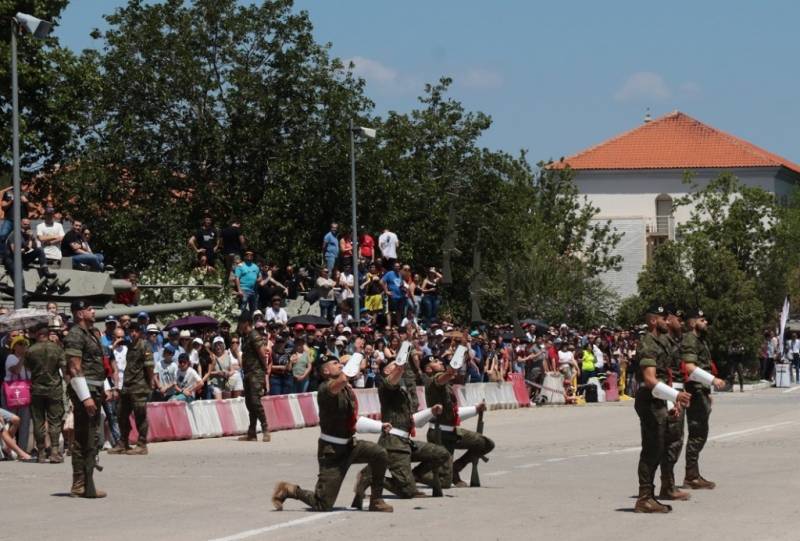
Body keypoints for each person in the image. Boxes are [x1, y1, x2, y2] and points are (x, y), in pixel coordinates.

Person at [271, 356, 393, 513]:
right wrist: (352, 364)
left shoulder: (346, 389)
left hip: (350, 445)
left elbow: (352, 420)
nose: (340, 365)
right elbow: (339, 383)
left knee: (380, 454)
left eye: (340, 363)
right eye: (335, 364)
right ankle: (289, 490)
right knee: (323, 504)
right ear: (326, 371)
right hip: (332, 452)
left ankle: (376, 500)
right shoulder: (325, 389)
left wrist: (378, 426)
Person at [354, 360, 449, 506]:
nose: (398, 366)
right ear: (386, 371)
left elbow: (409, 420)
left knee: (441, 454)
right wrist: (399, 367)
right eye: (393, 365)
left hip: (406, 441)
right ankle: (369, 477)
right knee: (407, 492)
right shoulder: (385, 386)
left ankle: (413, 477)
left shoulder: (401, 390)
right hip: (394, 443)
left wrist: (431, 411)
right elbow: (391, 381)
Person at [633, 304, 691, 513]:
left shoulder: (662, 342)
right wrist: (675, 396)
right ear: (652, 321)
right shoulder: (649, 342)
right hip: (649, 400)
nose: (667, 321)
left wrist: (671, 402)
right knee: (652, 449)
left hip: (659, 399)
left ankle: (652, 495)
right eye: (662, 318)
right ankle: (644, 498)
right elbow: (649, 379)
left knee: (660, 448)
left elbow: (665, 376)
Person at [417, 354, 493, 488]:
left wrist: (475, 409)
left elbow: (452, 413)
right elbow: (445, 376)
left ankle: (456, 467)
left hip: (452, 431)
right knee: (444, 483)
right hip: (439, 434)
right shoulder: (433, 381)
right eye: (435, 361)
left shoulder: (444, 384)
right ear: (428, 369)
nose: (440, 361)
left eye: (439, 359)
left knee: (485, 444)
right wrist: (453, 366)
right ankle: (417, 474)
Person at [63, 299, 107, 498]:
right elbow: (74, 367)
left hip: (94, 389)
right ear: (79, 314)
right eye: (89, 309)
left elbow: (96, 365)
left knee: (89, 436)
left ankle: (82, 483)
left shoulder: (91, 334)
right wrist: (85, 397)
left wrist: (103, 389)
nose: (93, 311)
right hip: (86, 391)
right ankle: (82, 484)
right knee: (86, 438)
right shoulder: (75, 335)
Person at [680, 308, 726, 490]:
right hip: (695, 390)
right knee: (697, 433)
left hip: (701, 390)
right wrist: (712, 381)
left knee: (699, 433)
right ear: (692, 323)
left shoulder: (700, 340)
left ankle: (693, 473)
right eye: (702, 320)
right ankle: (691, 476)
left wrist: (707, 390)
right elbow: (689, 367)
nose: (705, 322)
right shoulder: (691, 339)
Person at [108, 323, 155, 455]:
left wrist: (151, 382)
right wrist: (117, 341)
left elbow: (150, 367)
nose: (133, 333)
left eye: (136, 331)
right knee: (121, 413)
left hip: (139, 386)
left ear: (140, 333)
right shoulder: (129, 345)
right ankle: (123, 443)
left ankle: (142, 444)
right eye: (131, 331)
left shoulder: (144, 345)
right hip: (127, 385)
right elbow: (111, 350)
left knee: (140, 415)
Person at [24, 323, 65, 463]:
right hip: (54, 389)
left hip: (37, 389)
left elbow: (28, 368)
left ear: (39, 334)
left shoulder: (30, 350)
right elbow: (63, 367)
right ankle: (54, 451)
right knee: (54, 421)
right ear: (47, 335)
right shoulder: (57, 349)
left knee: (38, 421)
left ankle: (41, 452)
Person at [238, 311, 270, 442]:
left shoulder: (254, 335)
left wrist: (265, 369)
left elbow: (263, 354)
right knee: (249, 403)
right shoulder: (246, 337)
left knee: (256, 401)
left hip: (256, 373)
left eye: (240, 323)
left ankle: (265, 429)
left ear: (245, 323)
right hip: (248, 373)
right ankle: (252, 432)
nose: (238, 326)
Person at [4, 335, 32, 455]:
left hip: (25, 391)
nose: (23, 346)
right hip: (11, 390)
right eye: (20, 344)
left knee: (25, 421)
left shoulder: (28, 359)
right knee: (11, 420)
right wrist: (22, 358)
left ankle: (23, 449)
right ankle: (6, 447)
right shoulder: (11, 357)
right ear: (14, 347)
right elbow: (15, 370)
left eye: (24, 344)